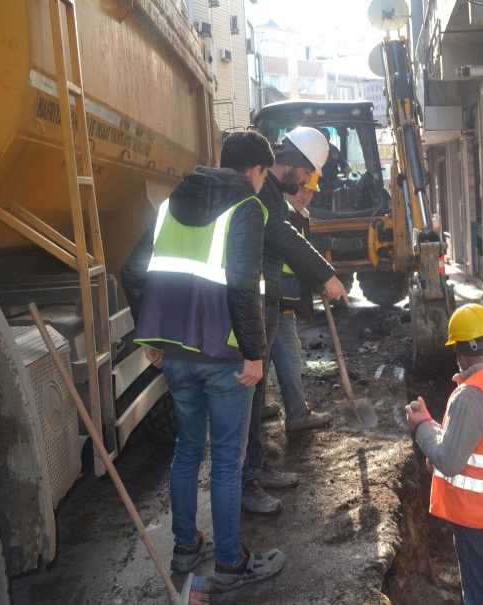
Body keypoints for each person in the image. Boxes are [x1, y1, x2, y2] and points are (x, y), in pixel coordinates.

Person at [124, 131, 283, 591]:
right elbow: (241, 286)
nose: (262, 185)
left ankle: (187, 546)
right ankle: (231, 562)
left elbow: (132, 272)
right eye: (263, 176)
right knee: (228, 460)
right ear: (254, 170)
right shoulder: (247, 208)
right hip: (225, 356)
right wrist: (254, 354)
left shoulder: (171, 202)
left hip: (175, 354)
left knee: (188, 449)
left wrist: (150, 334)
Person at [242, 126, 347, 515]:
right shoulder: (265, 188)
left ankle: (254, 468)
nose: (305, 182)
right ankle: (247, 479)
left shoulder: (269, 189)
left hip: (262, 302)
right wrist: (324, 274)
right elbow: (279, 235)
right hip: (253, 304)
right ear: (295, 164)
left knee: (252, 397)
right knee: (247, 397)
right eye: (306, 174)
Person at [405, 304, 483, 605]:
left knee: (482, 593)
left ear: (460, 354)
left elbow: (449, 461)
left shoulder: (471, 395)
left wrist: (422, 427)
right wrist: (435, 425)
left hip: (478, 517)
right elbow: (482, 443)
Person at [270, 171, 332, 432]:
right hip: (280, 299)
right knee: (289, 356)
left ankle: (265, 406)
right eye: (301, 190)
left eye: (310, 192)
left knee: (265, 355)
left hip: (280, 298)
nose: (305, 196)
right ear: (287, 186)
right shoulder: (283, 217)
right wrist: (321, 280)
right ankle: (297, 414)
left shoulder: (293, 215)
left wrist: (317, 282)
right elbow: (295, 259)